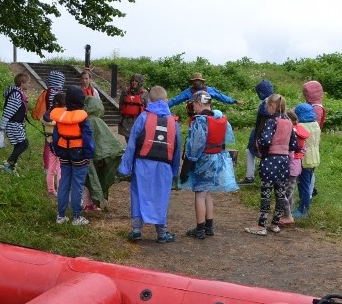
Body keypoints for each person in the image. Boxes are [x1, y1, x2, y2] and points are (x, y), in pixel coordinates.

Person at [117, 86, 181, 243]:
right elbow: (177, 148)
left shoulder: (143, 117)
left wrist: (125, 167)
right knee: (162, 196)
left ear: (149, 100)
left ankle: (136, 230)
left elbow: (132, 143)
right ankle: (162, 232)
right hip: (164, 166)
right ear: (166, 100)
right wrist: (175, 171)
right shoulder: (173, 121)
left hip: (142, 164)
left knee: (138, 193)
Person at [180, 91, 238, 239]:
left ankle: (200, 229)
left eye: (194, 104)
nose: (193, 107)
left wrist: (186, 166)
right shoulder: (220, 118)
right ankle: (209, 226)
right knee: (207, 192)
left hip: (204, 159)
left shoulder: (200, 121)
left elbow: (195, 147)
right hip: (217, 157)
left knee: (200, 193)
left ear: (199, 104)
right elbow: (227, 137)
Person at [245, 94, 298, 236]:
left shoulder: (271, 122)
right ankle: (275, 224)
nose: (267, 108)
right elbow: (294, 144)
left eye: (268, 105)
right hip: (284, 161)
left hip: (270, 159)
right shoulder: (289, 123)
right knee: (280, 192)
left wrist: (259, 144)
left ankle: (261, 225)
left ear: (273, 106)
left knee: (266, 193)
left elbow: (266, 140)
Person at [45, 85, 95, 226]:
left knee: (64, 183)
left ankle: (60, 216)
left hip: (64, 154)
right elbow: (88, 139)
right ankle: (76, 217)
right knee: (77, 185)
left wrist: (57, 150)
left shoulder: (60, 116)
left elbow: (56, 136)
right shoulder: (82, 118)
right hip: (79, 155)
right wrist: (89, 155)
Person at [82, 95, 125, 212]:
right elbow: (107, 142)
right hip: (97, 157)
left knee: (90, 180)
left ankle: (89, 203)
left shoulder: (86, 121)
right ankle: (92, 203)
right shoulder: (98, 122)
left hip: (88, 156)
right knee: (95, 179)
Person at [239, 78, 274, 186]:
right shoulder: (275, 99)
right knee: (253, 152)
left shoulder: (268, 102)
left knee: (254, 152)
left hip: (264, 132)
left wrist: (257, 137)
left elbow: (265, 116)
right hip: (265, 132)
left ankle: (251, 177)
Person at [168, 72, 243, 122]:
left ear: (201, 81)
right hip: (193, 116)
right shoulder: (188, 92)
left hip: (207, 116)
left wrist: (234, 101)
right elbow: (176, 100)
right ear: (192, 82)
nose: (196, 82)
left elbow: (221, 97)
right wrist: (164, 105)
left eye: (198, 80)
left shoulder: (209, 90)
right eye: (194, 81)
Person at [279, 108, 310, 227]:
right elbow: (303, 149)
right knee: (289, 193)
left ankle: (288, 216)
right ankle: (286, 214)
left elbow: (289, 152)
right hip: (297, 168)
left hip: (289, 167)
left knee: (282, 192)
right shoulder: (300, 132)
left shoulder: (291, 133)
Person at [292, 102, 321, 219]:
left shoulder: (301, 127)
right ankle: (303, 207)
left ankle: (303, 209)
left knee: (303, 185)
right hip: (314, 157)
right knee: (307, 184)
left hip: (304, 158)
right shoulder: (315, 125)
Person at [0, 72, 31, 174]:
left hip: (17, 124)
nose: (29, 85)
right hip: (13, 124)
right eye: (28, 83)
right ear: (22, 83)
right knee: (23, 144)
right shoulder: (16, 95)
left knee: (19, 145)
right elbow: (8, 111)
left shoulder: (19, 93)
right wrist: (2, 126)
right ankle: (9, 163)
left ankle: (11, 165)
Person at [41, 70, 65, 198]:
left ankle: (50, 190)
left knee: (51, 168)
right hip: (59, 143)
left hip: (49, 141)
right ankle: (60, 189)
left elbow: (44, 118)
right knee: (59, 168)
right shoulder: (62, 114)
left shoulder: (49, 112)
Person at [302, 80, 327, 197]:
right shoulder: (312, 106)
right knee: (307, 167)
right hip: (308, 140)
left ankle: (309, 193)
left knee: (309, 167)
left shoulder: (317, 108)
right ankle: (310, 189)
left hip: (310, 141)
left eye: (306, 93)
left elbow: (312, 127)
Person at [118, 73, 148, 140]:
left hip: (138, 119)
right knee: (128, 138)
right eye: (133, 81)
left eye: (136, 81)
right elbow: (121, 104)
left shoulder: (145, 93)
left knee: (138, 138)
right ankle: (129, 149)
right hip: (126, 120)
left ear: (140, 82)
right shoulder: (125, 91)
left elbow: (147, 107)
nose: (134, 82)